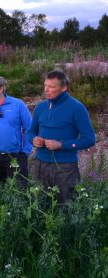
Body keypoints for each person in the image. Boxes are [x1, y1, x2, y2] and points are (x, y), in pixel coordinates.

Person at [27, 70, 95, 204]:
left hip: (65, 168)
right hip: (40, 164)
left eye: (51, 87)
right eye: (45, 86)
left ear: (64, 88)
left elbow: (89, 139)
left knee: (66, 207)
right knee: (39, 205)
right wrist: (34, 139)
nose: (46, 90)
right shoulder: (40, 107)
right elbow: (30, 132)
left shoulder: (77, 108)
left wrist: (61, 145)